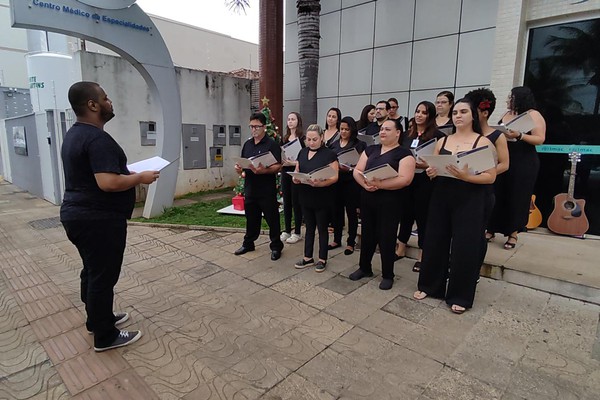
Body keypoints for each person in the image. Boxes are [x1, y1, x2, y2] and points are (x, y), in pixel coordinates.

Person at [60, 81, 158, 352]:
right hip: (97, 219)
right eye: (105, 97)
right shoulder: (96, 138)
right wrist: (140, 177)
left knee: (92, 271)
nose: (109, 101)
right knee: (103, 276)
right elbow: (107, 182)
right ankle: (105, 335)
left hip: (80, 216)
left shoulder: (75, 135)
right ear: (92, 105)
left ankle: (97, 319)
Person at [414, 98, 496, 314]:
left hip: (470, 197)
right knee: (435, 240)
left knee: (465, 246)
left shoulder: (483, 142)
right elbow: (435, 167)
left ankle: (460, 295)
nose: (458, 116)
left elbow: (490, 177)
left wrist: (466, 176)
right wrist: (432, 172)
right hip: (442, 194)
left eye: (463, 112)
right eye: (456, 112)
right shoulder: (443, 141)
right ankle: (430, 285)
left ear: (473, 116)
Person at [349, 119, 415, 290]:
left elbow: (405, 179)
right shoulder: (371, 149)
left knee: (387, 237)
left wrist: (380, 185)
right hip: (368, 197)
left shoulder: (405, 154)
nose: (383, 132)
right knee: (367, 234)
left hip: (390, 201)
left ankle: (388, 274)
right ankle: (365, 267)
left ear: (398, 133)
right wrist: (365, 184)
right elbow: (357, 170)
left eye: (387, 129)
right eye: (381, 129)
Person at [487, 86, 545, 249]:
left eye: (510, 97)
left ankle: (513, 233)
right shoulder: (506, 114)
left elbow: (540, 139)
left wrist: (519, 135)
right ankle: (491, 228)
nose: (507, 100)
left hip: (524, 160)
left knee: (518, 195)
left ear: (520, 99)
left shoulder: (533, 114)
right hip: (504, 156)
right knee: (498, 192)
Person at [396, 101, 446, 272]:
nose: (419, 115)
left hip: (425, 180)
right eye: (417, 111)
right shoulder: (406, 135)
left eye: (424, 113)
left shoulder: (437, 136)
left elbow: (440, 161)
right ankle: (401, 247)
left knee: (423, 217)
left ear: (430, 116)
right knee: (405, 214)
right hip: (407, 178)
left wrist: (425, 164)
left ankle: (422, 254)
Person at [234, 112, 284, 260]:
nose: (254, 129)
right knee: (251, 218)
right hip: (250, 188)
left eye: (257, 126)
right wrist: (239, 168)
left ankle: (276, 246)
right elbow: (243, 162)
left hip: (266, 189)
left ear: (264, 127)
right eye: (251, 126)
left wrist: (265, 170)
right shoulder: (247, 144)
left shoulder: (272, 144)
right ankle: (249, 243)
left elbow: (278, 166)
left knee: (272, 219)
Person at [464, 88, 510, 245]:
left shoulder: (497, 136)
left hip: (483, 188)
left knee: (477, 231)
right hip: (462, 187)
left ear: (484, 113)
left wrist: (484, 175)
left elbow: (504, 164)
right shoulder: (462, 135)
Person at [292, 124, 339, 272]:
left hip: (322, 196)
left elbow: (335, 176)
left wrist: (321, 183)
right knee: (309, 228)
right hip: (306, 195)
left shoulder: (329, 154)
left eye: (314, 139)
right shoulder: (302, 152)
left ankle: (322, 258)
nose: (311, 142)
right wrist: (296, 178)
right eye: (308, 139)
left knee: (322, 228)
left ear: (322, 138)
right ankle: (307, 257)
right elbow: (297, 170)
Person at [329, 116, 367, 255]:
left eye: (346, 129)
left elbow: (363, 164)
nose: (344, 132)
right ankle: (336, 239)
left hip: (351, 181)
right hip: (337, 181)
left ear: (352, 130)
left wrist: (350, 168)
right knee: (336, 210)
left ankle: (351, 242)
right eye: (341, 129)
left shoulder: (359, 145)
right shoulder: (333, 145)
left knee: (351, 212)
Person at [280, 112, 305, 244]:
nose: (290, 122)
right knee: (287, 201)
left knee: (296, 202)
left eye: (293, 119)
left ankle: (297, 232)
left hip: (296, 172)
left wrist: (293, 163)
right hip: (285, 172)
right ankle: (287, 229)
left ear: (298, 121)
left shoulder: (302, 139)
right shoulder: (284, 138)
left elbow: (305, 159)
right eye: (288, 119)